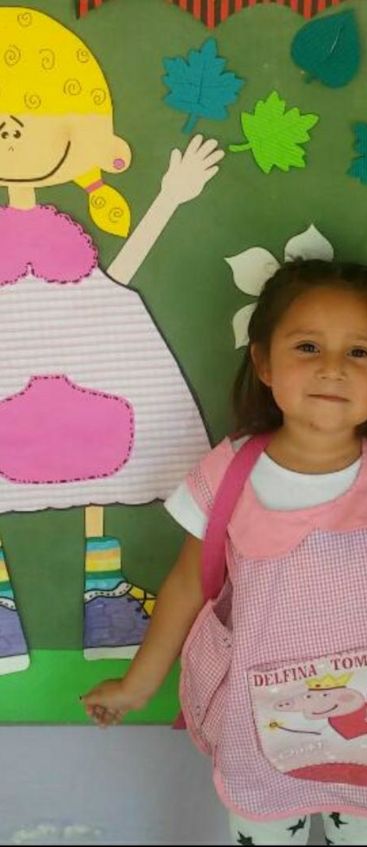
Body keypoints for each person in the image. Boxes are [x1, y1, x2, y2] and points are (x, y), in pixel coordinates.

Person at [83, 259, 367, 846]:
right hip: (258, 720)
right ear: (264, 362)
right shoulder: (226, 474)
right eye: (307, 347)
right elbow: (187, 585)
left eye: (359, 352)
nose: (332, 368)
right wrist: (138, 685)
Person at [0, 6, 222, 673]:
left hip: (87, 355)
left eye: (22, 124)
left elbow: (119, 273)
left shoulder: (68, 238)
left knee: (102, 456)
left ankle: (105, 604)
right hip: (33, 360)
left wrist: (171, 197)